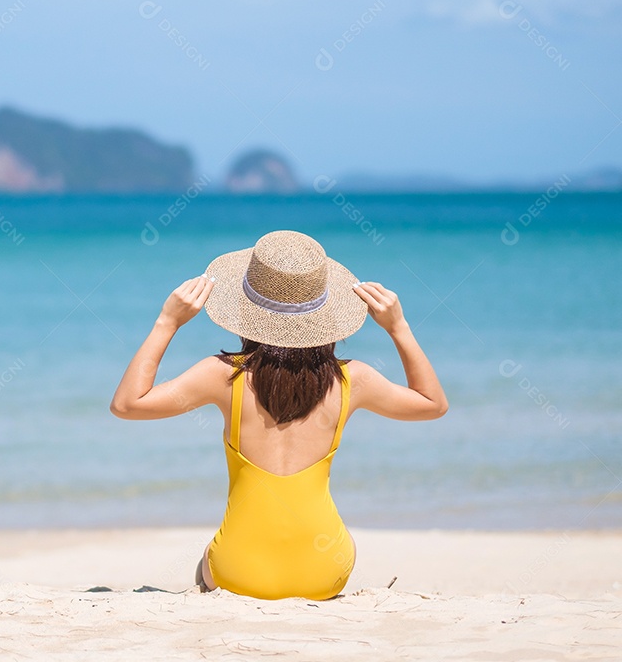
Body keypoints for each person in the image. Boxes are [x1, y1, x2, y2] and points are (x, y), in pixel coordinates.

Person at [109, 230, 447, 601]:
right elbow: (432, 404)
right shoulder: (354, 380)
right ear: (325, 314)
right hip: (324, 571)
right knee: (336, 539)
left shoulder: (223, 375)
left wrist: (167, 322)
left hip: (237, 573)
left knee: (206, 561)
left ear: (245, 311)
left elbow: (127, 405)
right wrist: (399, 327)